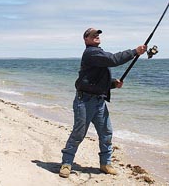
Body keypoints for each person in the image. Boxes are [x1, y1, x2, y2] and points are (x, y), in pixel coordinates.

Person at [59, 28, 147, 178]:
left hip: (99, 102)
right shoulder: (91, 53)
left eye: (98, 34)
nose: (96, 36)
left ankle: (105, 164)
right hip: (84, 101)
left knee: (106, 132)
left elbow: (96, 78)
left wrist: (112, 83)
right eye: (93, 35)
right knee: (78, 133)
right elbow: (112, 60)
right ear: (85, 39)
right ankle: (66, 163)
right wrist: (134, 52)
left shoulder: (98, 54)